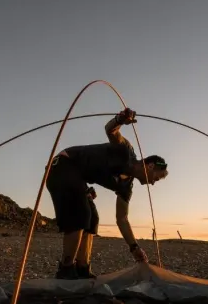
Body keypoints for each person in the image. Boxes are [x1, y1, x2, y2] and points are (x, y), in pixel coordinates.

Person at [45, 108, 169, 279]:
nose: (154, 182)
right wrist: (120, 119)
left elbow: (122, 219)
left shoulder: (127, 186)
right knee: (81, 213)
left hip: (79, 178)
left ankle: (82, 269)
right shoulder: (126, 151)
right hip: (62, 165)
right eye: (157, 177)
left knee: (93, 218)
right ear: (150, 166)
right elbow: (110, 130)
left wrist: (134, 247)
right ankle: (66, 269)